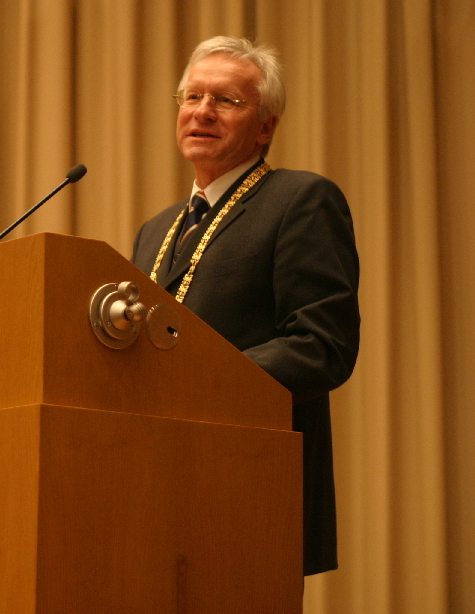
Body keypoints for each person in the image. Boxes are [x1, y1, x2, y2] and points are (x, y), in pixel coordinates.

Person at [132, 36, 360, 576]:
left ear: (266, 126)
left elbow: (321, 347)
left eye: (226, 100)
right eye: (192, 97)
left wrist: (196, 377)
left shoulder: (300, 200)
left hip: (249, 486)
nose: (202, 111)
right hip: (152, 486)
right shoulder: (155, 230)